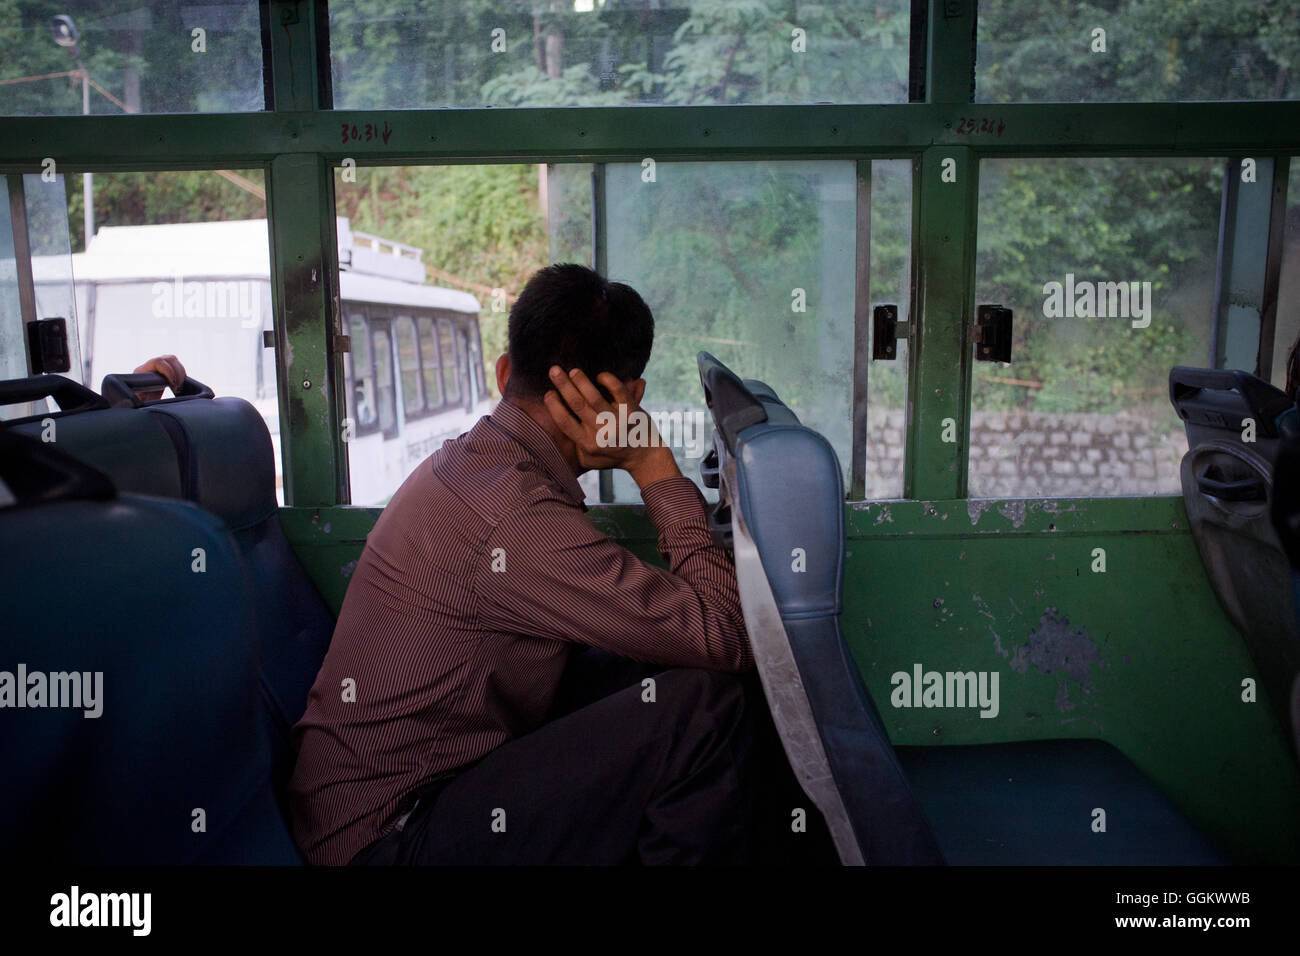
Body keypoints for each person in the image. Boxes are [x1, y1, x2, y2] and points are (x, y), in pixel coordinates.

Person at [287, 263, 832, 866]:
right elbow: (729, 634)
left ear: (502, 372)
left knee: (666, 676)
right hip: (387, 836)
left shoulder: (479, 467)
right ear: (629, 399)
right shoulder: (514, 516)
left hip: (417, 793)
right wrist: (652, 463)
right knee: (702, 713)